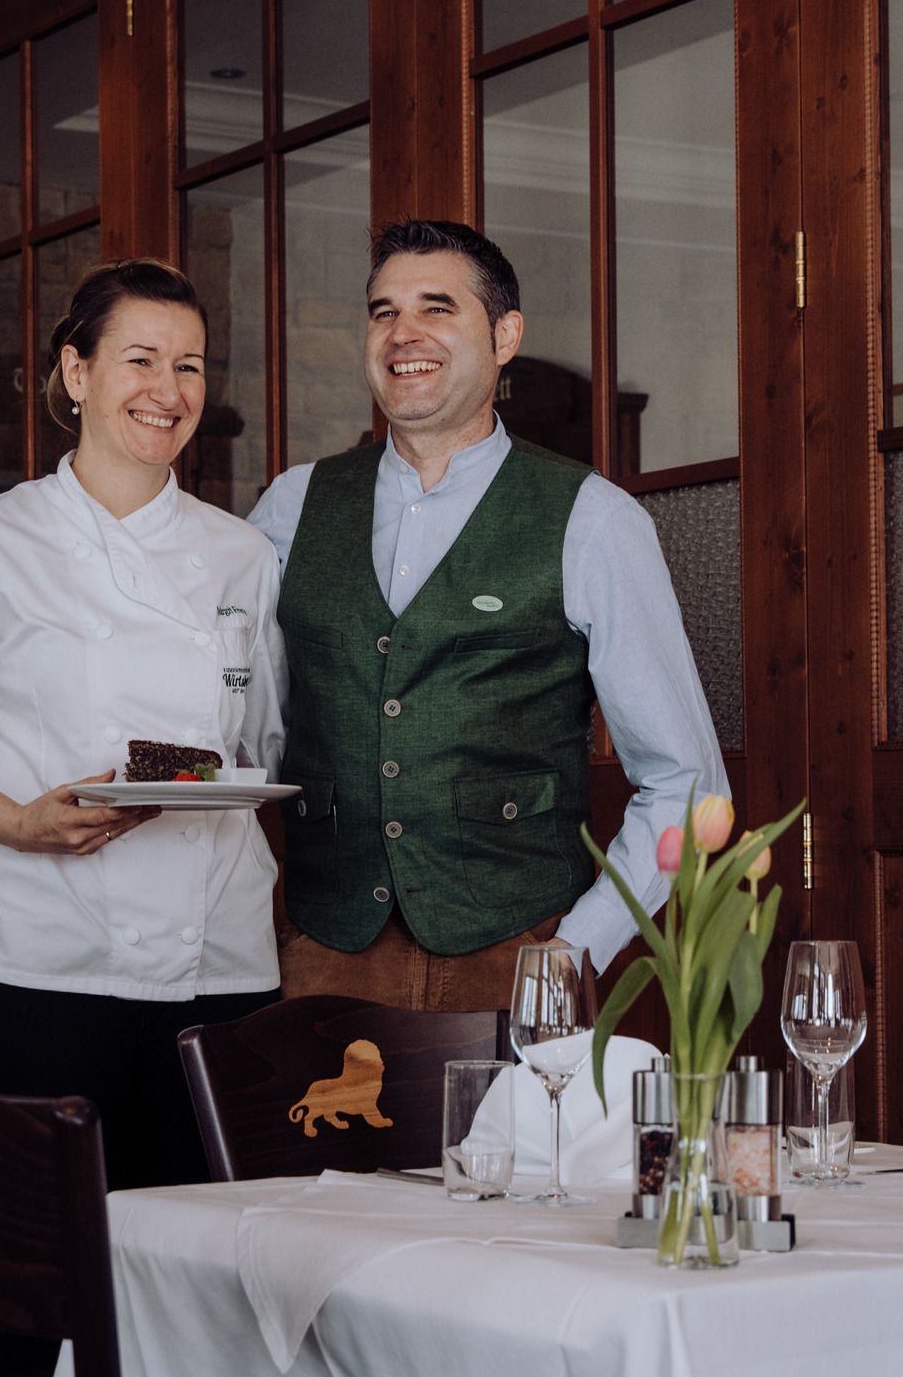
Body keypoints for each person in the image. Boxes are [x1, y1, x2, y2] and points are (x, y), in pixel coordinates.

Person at [0, 259, 284, 1190]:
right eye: (141, 360)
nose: (167, 392)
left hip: (220, 967)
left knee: (206, 1280)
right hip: (47, 972)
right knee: (40, 1284)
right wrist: (15, 825)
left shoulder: (243, 554)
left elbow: (260, 749)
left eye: (190, 367)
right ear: (77, 372)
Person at [249, 219, 726, 1010]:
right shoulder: (294, 506)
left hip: (515, 955)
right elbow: (229, 707)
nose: (403, 333)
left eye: (437, 308)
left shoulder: (593, 518)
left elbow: (688, 781)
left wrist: (576, 950)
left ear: (505, 335)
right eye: (382, 311)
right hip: (321, 955)